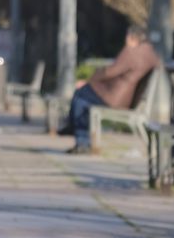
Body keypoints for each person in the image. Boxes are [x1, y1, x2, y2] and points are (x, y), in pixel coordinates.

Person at [60, 24, 161, 154]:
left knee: (80, 95)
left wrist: (90, 79)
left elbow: (110, 71)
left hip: (115, 98)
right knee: (83, 95)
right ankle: (75, 130)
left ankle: (80, 138)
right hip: (125, 98)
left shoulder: (132, 52)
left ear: (131, 37)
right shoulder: (151, 54)